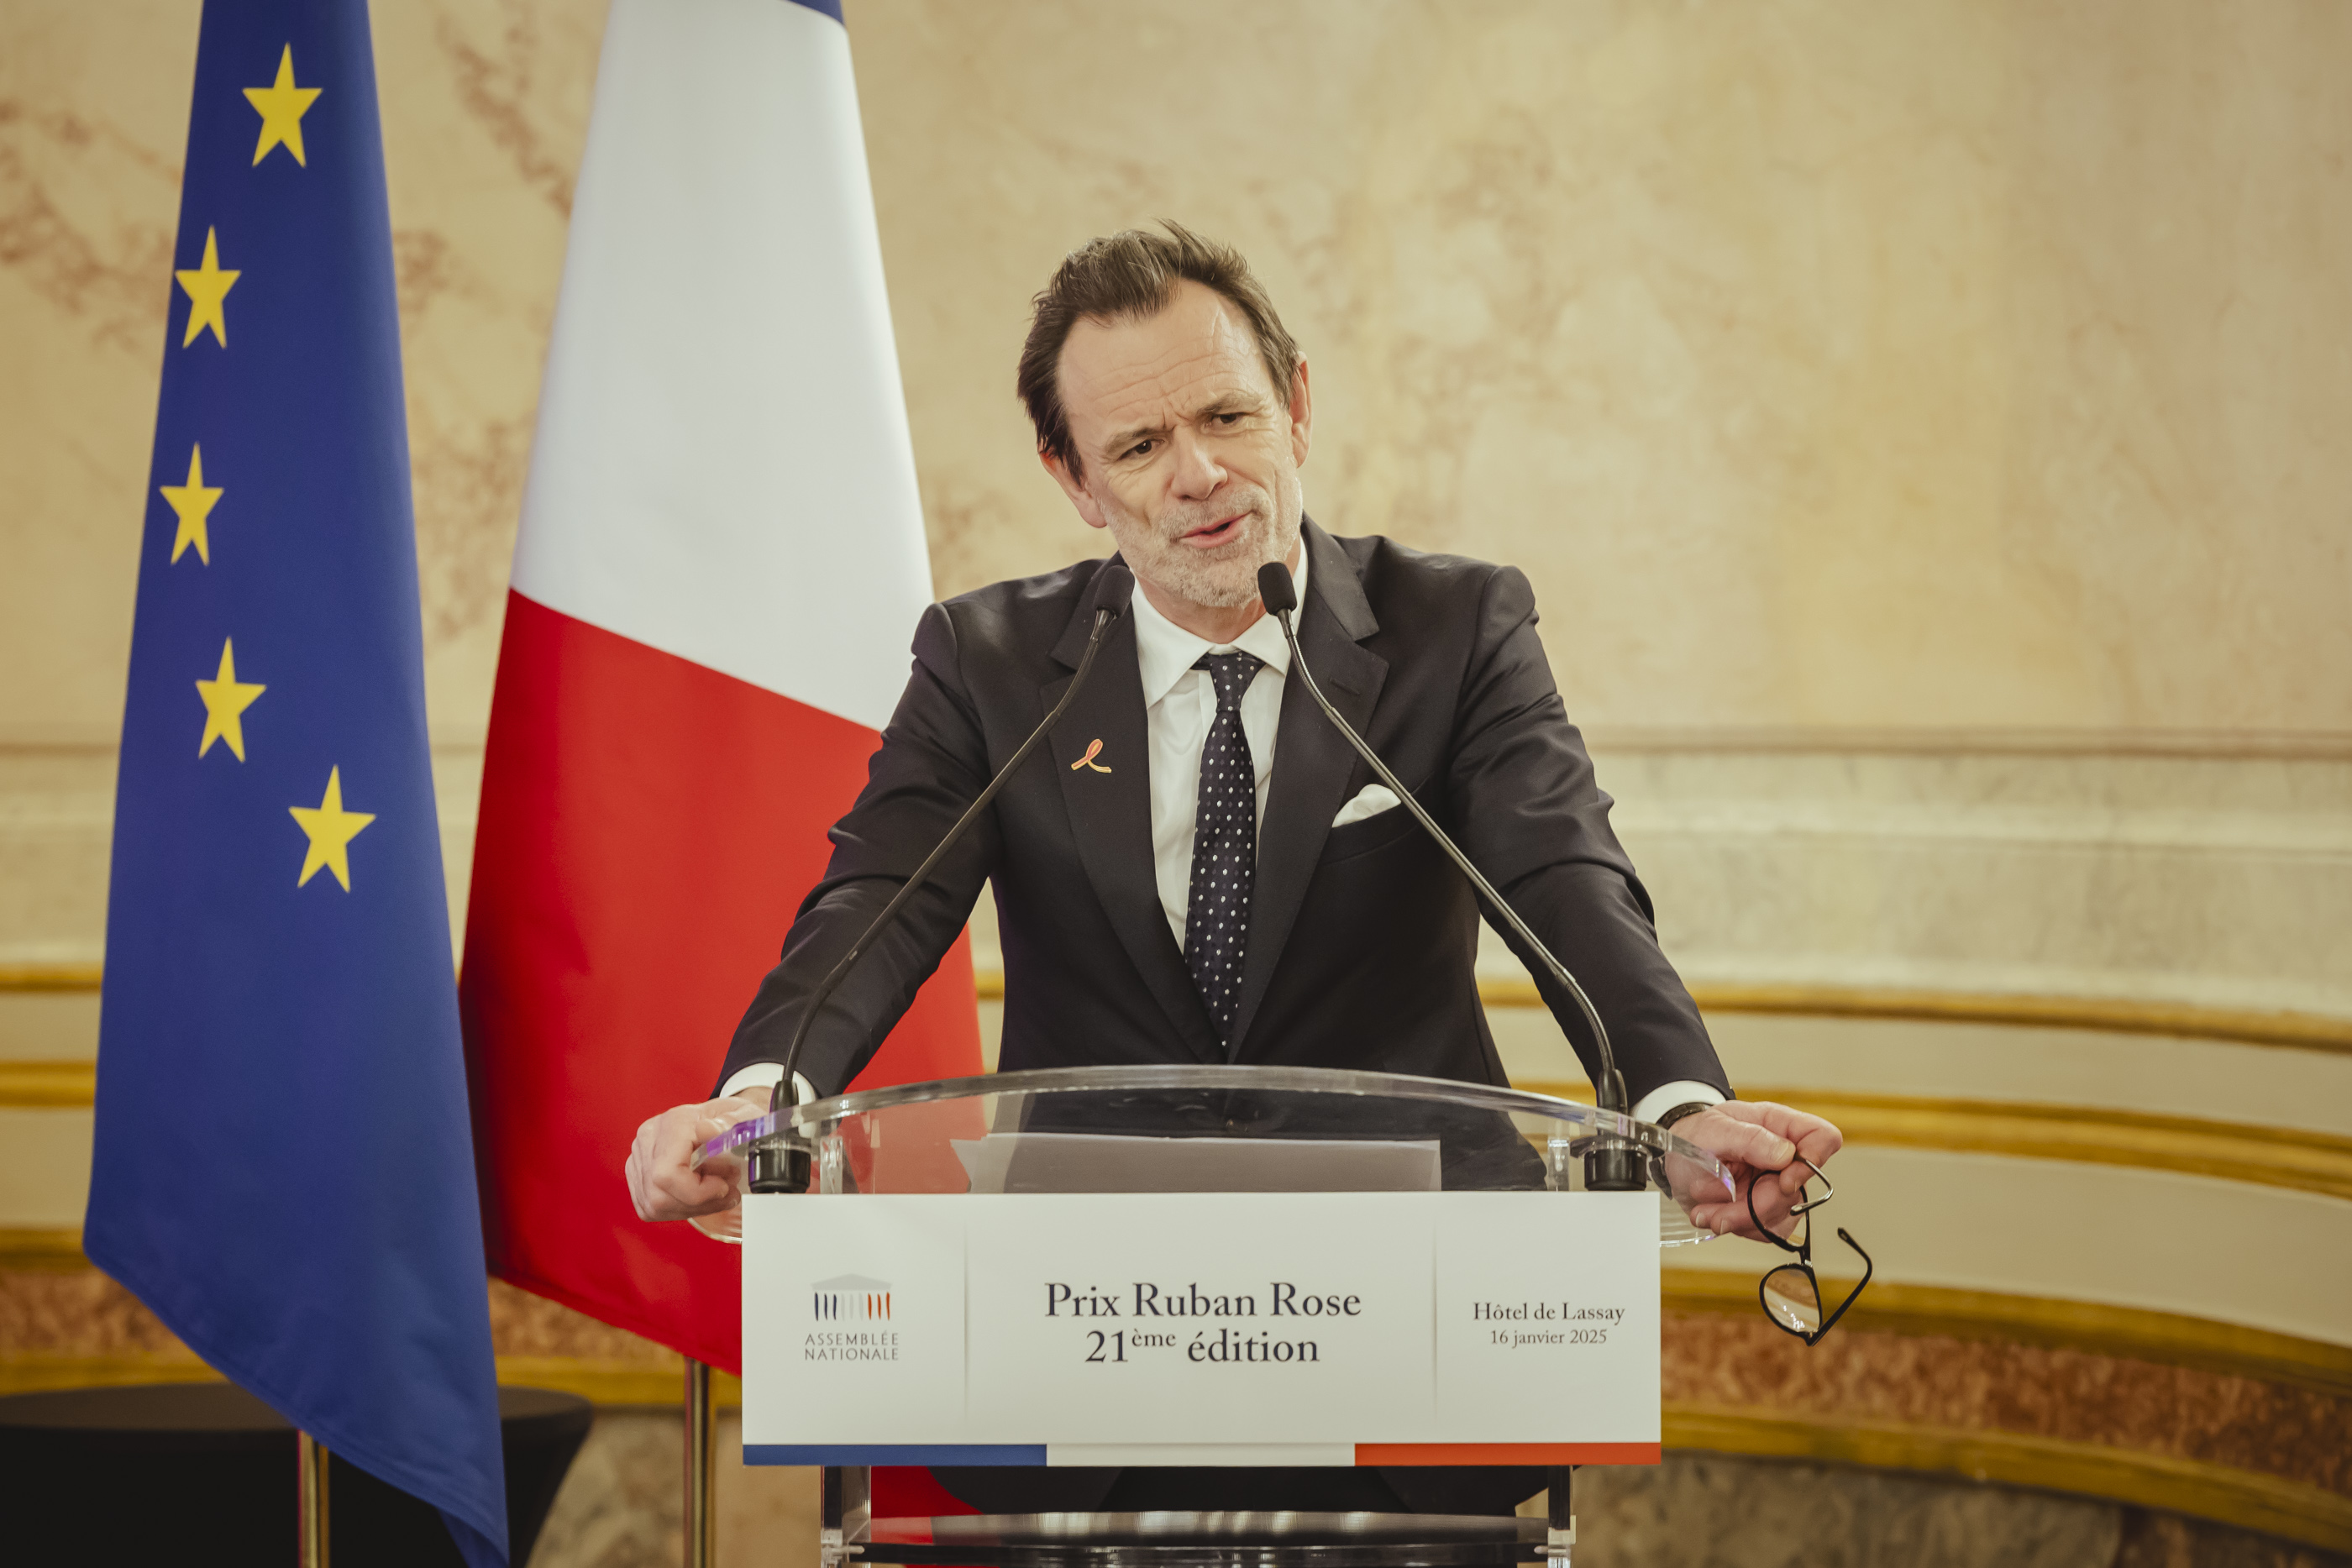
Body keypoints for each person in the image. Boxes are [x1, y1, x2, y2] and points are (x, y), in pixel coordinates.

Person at [626, 223, 1843, 1513]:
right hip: (1080, 1326)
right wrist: (764, 1100)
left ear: (1297, 405)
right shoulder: (988, 663)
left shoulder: (1457, 629)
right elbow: (878, 900)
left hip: (1414, 1318)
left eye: (1227, 415)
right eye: (1141, 448)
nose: (1201, 475)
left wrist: (1673, 1107)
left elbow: (1566, 882)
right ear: (1075, 479)